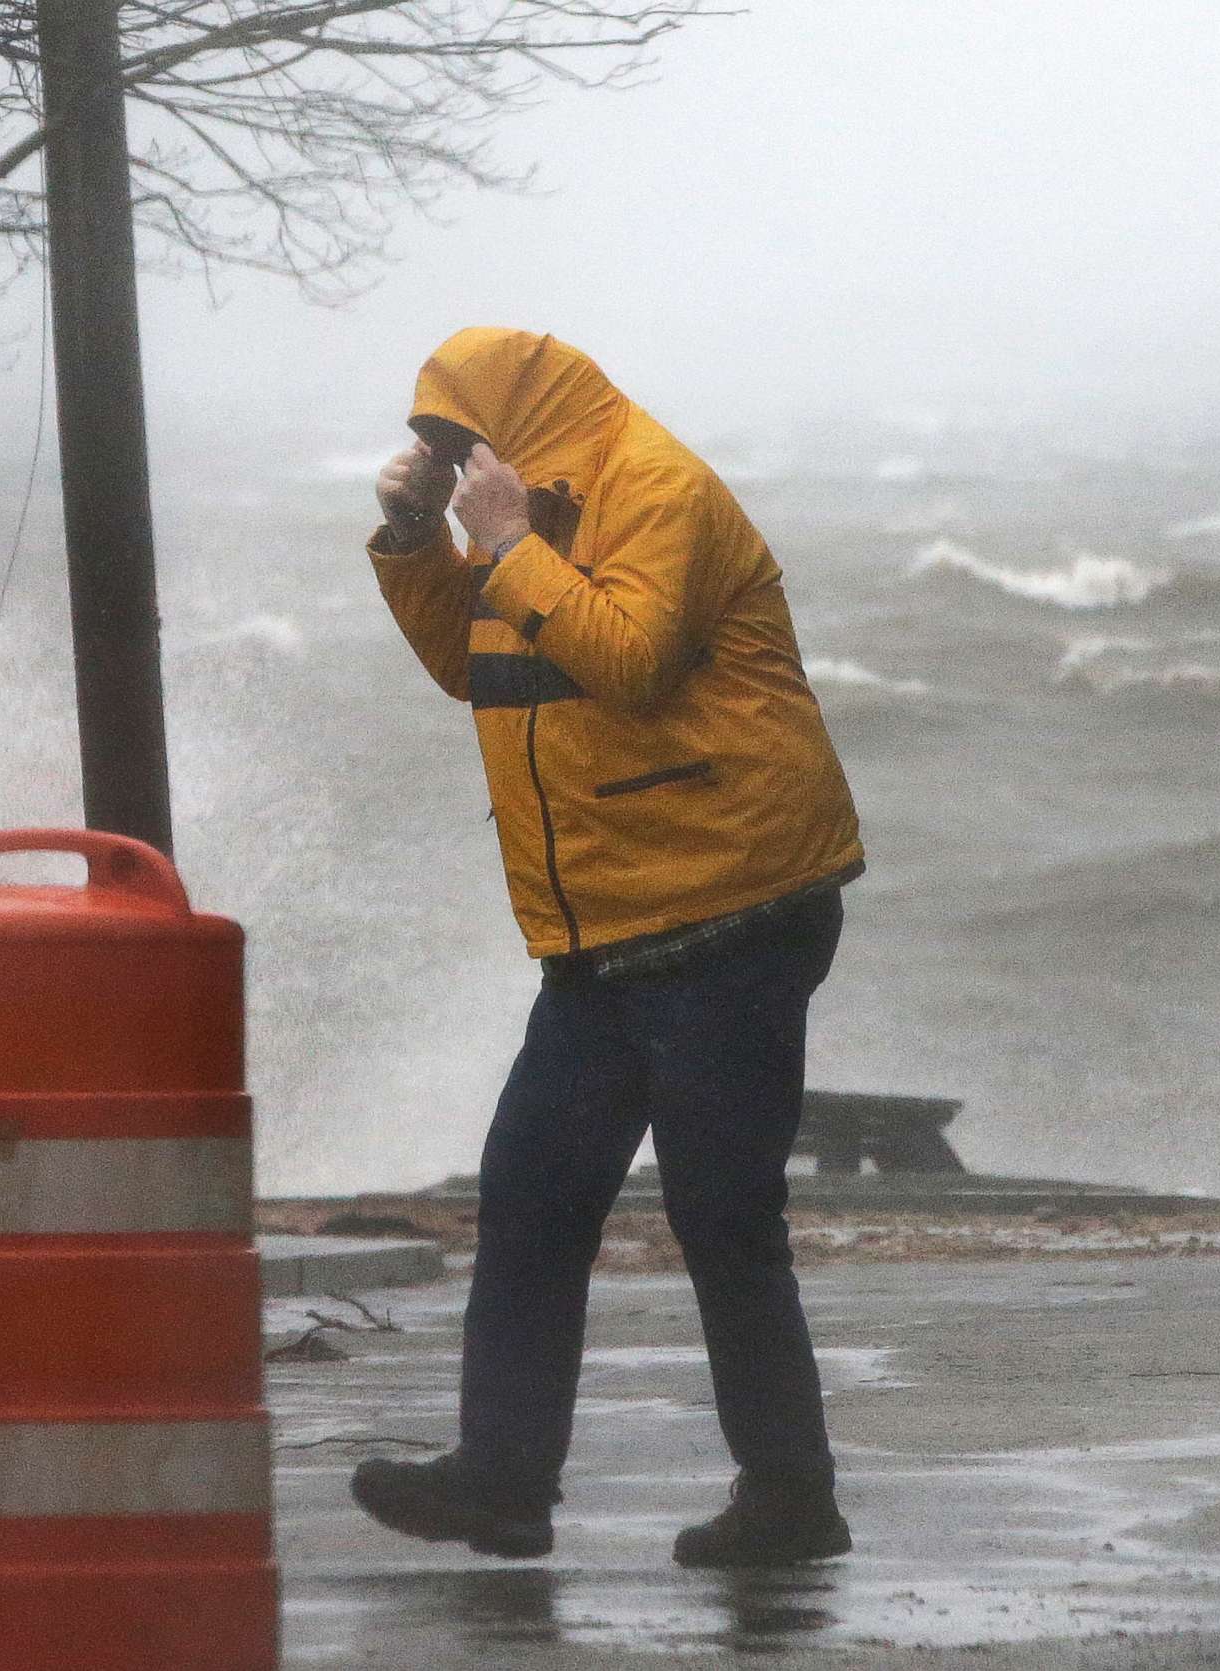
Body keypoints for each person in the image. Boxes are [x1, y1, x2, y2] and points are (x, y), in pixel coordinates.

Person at [348, 328, 866, 1568]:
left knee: (723, 1212)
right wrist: (423, 541)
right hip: (603, 928)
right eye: (432, 444)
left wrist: (511, 541)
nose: (445, 457)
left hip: (731, 903)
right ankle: (502, 1483)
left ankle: (792, 1500)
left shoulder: (654, 486)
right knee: (531, 1195)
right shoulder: (534, 512)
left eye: (453, 439)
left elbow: (630, 660)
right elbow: (477, 670)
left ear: (515, 423)